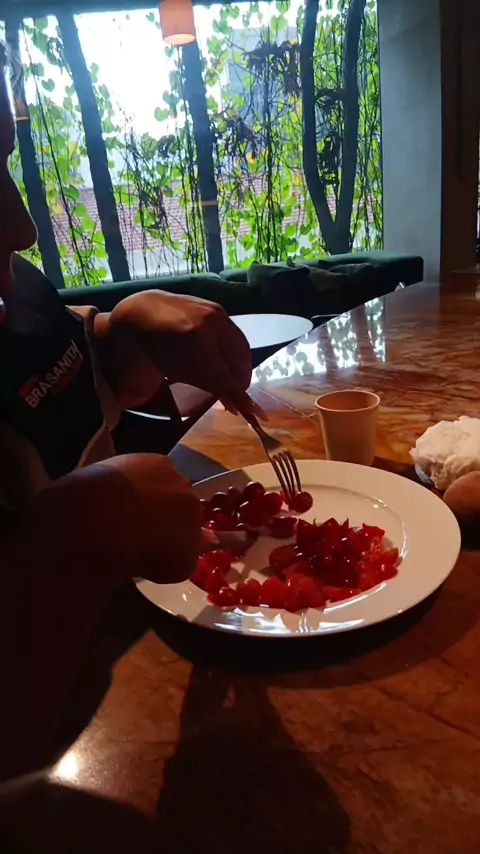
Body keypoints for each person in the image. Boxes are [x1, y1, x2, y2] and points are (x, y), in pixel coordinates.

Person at [0, 43, 253, 781]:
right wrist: (71, 540)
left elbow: (58, 384)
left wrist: (124, 335)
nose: (21, 226)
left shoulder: (15, 289)